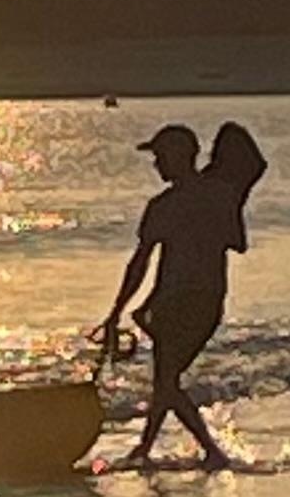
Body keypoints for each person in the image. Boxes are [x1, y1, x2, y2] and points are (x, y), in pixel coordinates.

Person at [98, 123, 240, 468]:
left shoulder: (164, 206)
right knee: (166, 377)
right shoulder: (219, 196)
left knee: (166, 379)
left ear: (178, 158)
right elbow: (238, 242)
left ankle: (211, 450)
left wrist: (117, 311)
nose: (156, 165)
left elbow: (140, 263)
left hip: (179, 302)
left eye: (160, 157)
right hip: (207, 301)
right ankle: (145, 448)